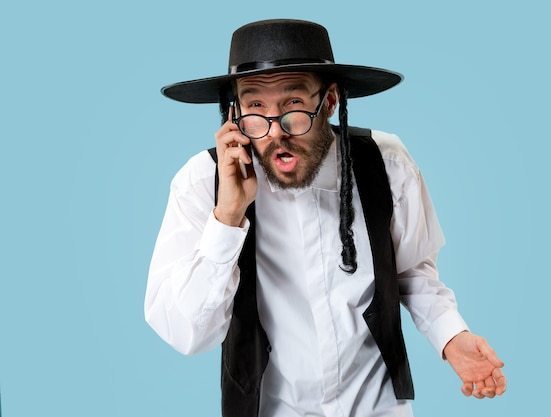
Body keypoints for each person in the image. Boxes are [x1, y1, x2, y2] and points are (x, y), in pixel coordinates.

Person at [144, 18, 506, 417]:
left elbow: (413, 272)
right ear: (235, 111)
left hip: (376, 407)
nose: (275, 130)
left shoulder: (387, 163)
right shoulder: (201, 182)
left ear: (330, 101)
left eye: (294, 104)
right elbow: (187, 334)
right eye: (255, 106)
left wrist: (451, 337)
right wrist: (227, 217)